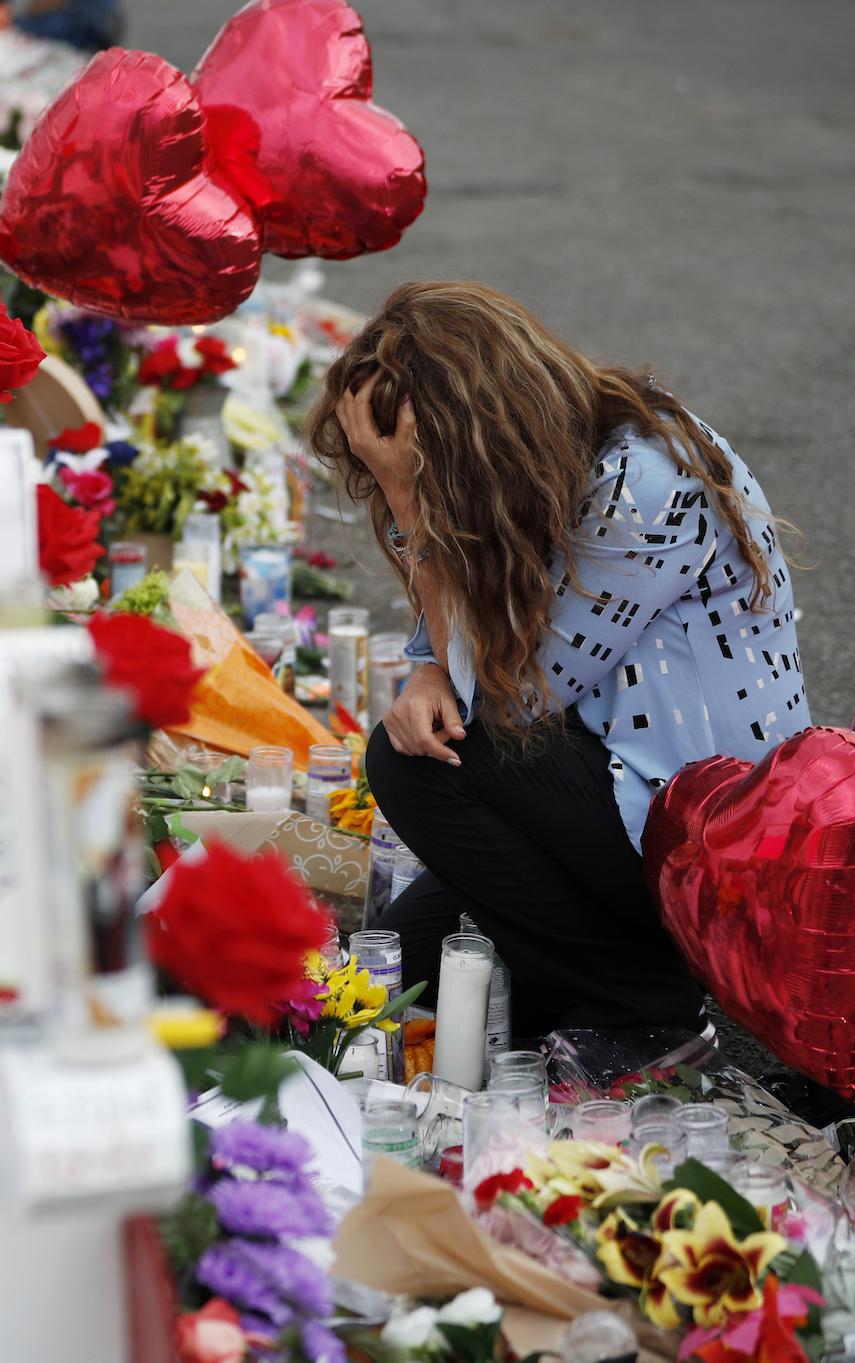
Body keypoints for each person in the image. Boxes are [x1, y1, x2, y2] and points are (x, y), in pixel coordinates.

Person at [306, 281, 809, 1037]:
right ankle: (601, 975)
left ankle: (649, 1009)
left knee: (415, 762)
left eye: (419, 462)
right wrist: (433, 669)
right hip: (618, 786)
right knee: (389, 972)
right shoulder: (565, 447)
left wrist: (410, 502)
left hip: (707, 843)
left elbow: (512, 699)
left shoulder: (641, 482)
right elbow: (481, 643)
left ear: (475, 429)